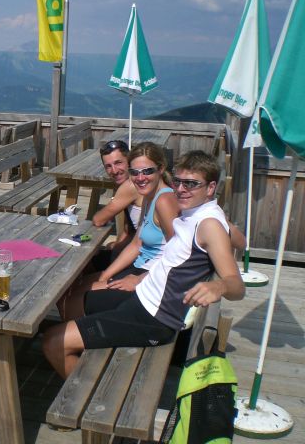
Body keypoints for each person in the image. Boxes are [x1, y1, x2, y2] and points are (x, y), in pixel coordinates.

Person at [43, 150, 245, 378]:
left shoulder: (208, 224)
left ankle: (90, 394)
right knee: (73, 303)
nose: (181, 189)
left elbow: (237, 286)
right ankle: (86, 356)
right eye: (178, 181)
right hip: (143, 298)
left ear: (210, 188)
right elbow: (241, 241)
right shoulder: (195, 212)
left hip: (153, 319)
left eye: (191, 184)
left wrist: (219, 286)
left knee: (53, 341)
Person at [59, 142, 179, 319]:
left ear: (160, 169)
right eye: (135, 172)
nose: (140, 177)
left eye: (147, 171)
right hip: (140, 265)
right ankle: (78, 328)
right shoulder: (148, 195)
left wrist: (140, 280)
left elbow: (179, 255)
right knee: (69, 289)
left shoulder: (165, 201)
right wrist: (105, 275)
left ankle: (77, 332)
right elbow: (136, 244)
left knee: (69, 300)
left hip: (150, 277)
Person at [92, 140, 143, 258]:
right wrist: (116, 247)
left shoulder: (131, 185)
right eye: (108, 166)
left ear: (130, 161)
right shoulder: (136, 180)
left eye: (118, 163)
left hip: (148, 258)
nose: (114, 171)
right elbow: (128, 230)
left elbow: (98, 220)